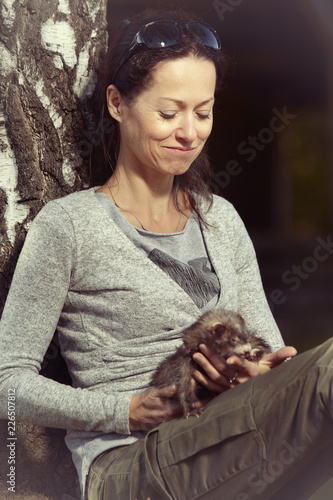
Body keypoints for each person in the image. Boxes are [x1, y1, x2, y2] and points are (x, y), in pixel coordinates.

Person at [0, 8, 332, 500]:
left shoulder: (221, 219)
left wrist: (256, 371)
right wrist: (125, 410)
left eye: (204, 112)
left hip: (232, 434)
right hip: (131, 462)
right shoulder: (69, 225)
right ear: (117, 103)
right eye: (169, 112)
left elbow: (271, 353)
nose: (189, 132)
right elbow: (8, 380)